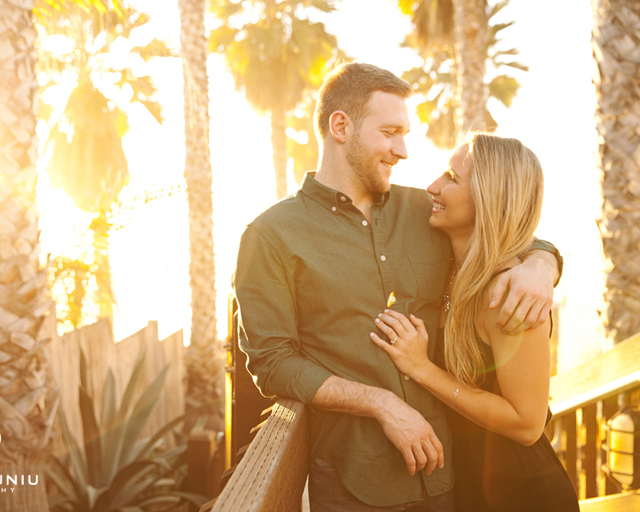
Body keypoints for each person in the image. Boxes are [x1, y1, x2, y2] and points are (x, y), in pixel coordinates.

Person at [233, 62, 561, 511]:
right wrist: (380, 403)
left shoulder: (426, 211)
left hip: (449, 477)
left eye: (404, 134)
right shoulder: (270, 236)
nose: (402, 150)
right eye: (390, 132)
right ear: (341, 126)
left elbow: (501, 227)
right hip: (352, 480)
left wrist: (543, 264)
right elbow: (270, 362)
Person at [371, 134, 579, 512]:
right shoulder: (451, 269)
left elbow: (528, 424)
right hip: (469, 487)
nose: (433, 186)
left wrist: (422, 368)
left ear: (488, 197)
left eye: (452, 177)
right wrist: (544, 260)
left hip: (522, 496)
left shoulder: (510, 293)